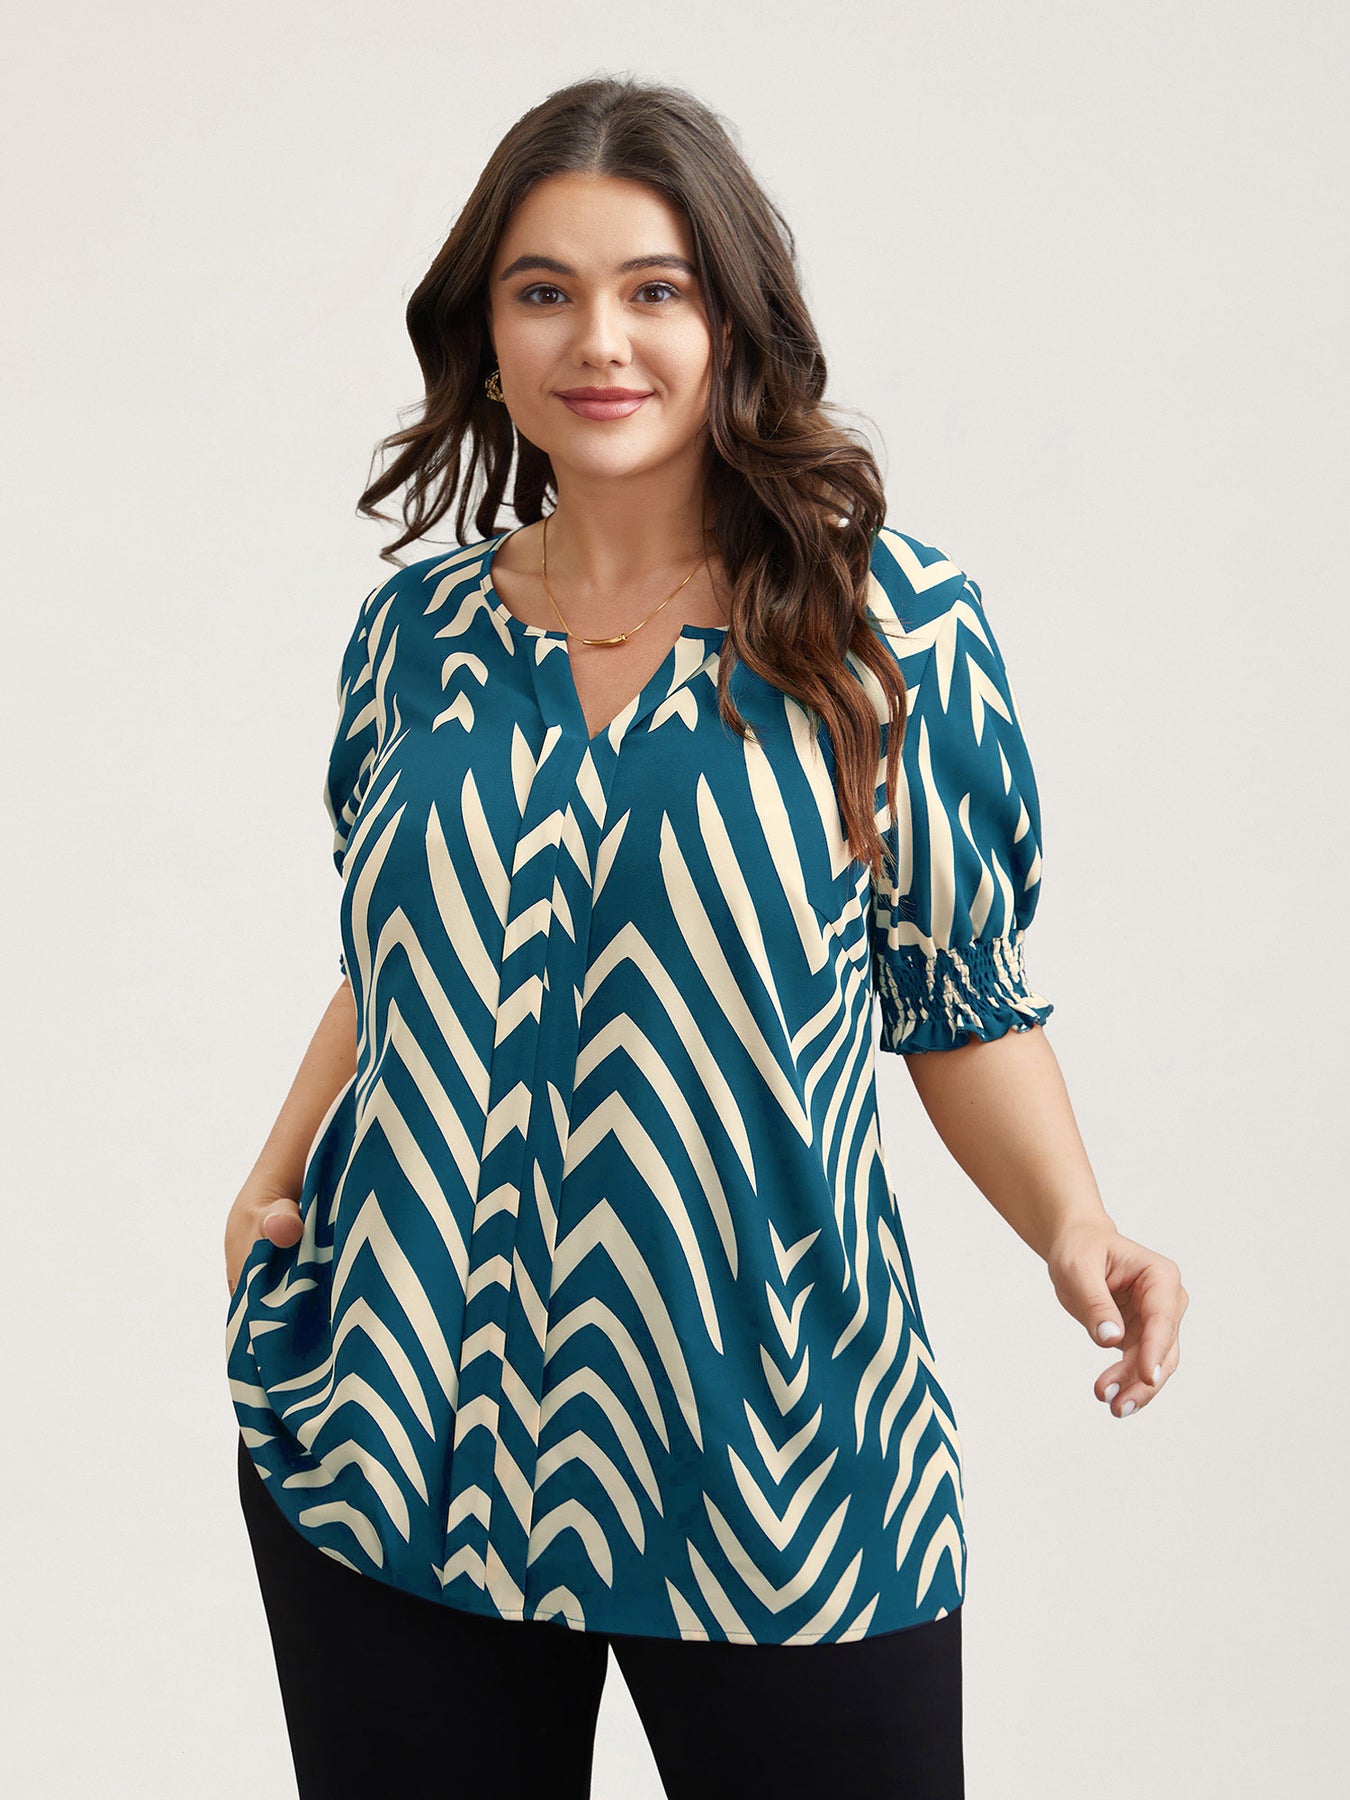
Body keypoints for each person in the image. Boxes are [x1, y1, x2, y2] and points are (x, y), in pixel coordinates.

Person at [223, 75, 1188, 1800]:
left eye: (653, 289)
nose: (599, 340)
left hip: (773, 1455)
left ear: (730, 322)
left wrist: (1075, 1226)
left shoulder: (884, 627)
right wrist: (271, 1174)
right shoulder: (412, 638)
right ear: (486, 335)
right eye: (544, 290)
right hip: (401, 1429)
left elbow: (953, 990)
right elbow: (397, 958)